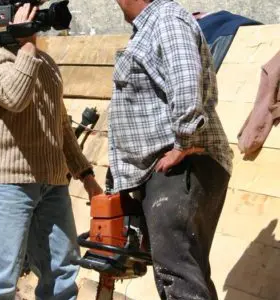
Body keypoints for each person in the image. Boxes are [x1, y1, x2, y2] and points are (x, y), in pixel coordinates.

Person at [0, 3, 103, 299]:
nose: (35, 17)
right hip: (6, 185)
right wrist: (27, 45)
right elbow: (14, 97)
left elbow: (62, 125)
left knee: (63, 271)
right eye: (27, 11)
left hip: (52, 184)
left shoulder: (46, 63)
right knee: (2, 281)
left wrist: (86, 175)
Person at [109, 0, 233, 299]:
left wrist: (183, 144)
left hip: (181, 166)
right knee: (187, 274)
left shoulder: (166, 19)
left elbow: (186, 83)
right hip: (174, 167)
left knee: (178, 277)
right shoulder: (152, 26)